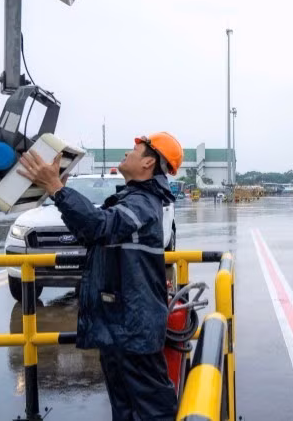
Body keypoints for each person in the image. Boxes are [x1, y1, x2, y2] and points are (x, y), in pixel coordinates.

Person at [18, 132, 183, 420]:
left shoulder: (142, 203)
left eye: (135, 149)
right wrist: (61, 193)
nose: (127, 153)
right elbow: (91, 233)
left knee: (152, 409)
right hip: (122, 325)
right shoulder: (132, 198)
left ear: (148, 163)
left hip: (134, 327)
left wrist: (58, 189)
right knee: (125, 408)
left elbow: (99, 226)